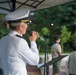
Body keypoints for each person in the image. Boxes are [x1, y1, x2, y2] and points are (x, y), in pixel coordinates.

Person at [0, 8, 39, 75]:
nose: (27, 26)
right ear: (20, 27)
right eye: (26, 23)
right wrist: (33, 42)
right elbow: (35, 61)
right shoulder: (20, 42)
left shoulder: (2, 39)